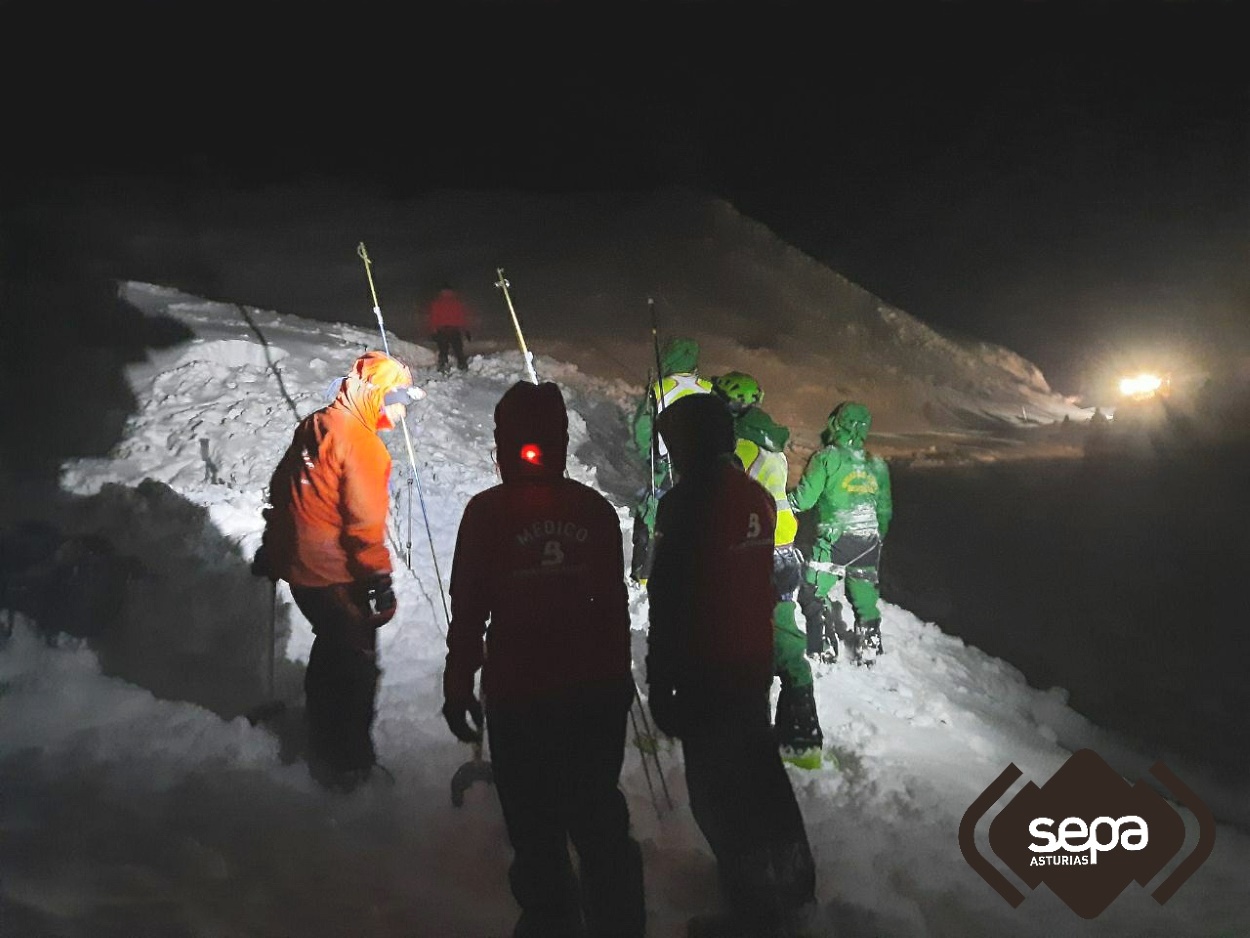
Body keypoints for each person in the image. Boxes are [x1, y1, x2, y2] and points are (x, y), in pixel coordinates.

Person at [442, 380, 645, 938]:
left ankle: (554, 922)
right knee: (598, 817)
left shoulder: (486, 514)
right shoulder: (595, 510)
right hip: (592, 696)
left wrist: (459, 684)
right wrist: (618, 681)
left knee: (535, 828)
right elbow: (613, 607)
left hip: (522, 697)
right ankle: (618, 924)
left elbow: (468, 613)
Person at [646, 393, 817, 938]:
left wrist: (660, 678)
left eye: (674, 443)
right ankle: (795, 880)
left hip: (706, 665)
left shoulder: (686, 503)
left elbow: (669, 600)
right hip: (749, 659)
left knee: (719, 791)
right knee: (760, 771)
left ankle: (752, 911)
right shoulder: (756, 496)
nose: (671, 454)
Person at [252, 350, 420, 792]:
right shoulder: (364, 448)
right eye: (399, 400)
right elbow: (363, 526)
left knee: (331, 648)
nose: (402, 413)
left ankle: (319, 734)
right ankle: (346, 762)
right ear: (379, 396)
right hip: (332, 574)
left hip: (301, 569)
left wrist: (274, 546)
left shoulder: (317, 424)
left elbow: (285, 487)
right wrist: (378, 580)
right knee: (356, 665)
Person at [711, 372, 824, 771]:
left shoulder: (737, 443)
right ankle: (803, 738)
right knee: (783, 632)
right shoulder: (771, 441)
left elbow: (720, 495)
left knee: (732, 633)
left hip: (751, 547)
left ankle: (735, 733)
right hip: (783, 546)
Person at [788, 401, 893, 666]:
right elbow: (884, 510)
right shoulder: (877, 464)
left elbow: (804, 500)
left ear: (836, 422)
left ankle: (822, 649)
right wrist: (875, 536)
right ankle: (869, 650)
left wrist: (779, 501)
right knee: (864, 598)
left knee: (813, 592)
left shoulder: (826, 458)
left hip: (834, 539)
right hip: (868, 541)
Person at [627, 335, 713, 583]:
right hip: (700, 466)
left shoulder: (660, 388)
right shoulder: (709, 388)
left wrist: (648, 455)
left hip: (666, 465)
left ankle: (644, 571)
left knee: (653, 514)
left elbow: (642, 428)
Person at [423, 282, 475, 374]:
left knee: (443, 350)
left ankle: (442, 367)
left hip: (442, 330)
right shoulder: (457, 302)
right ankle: (462, 366)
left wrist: (433, 330)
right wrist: (465, 329)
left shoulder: (437, 302)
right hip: (454, 330)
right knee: (458, 349)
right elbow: (462, 317)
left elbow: (434, 317)